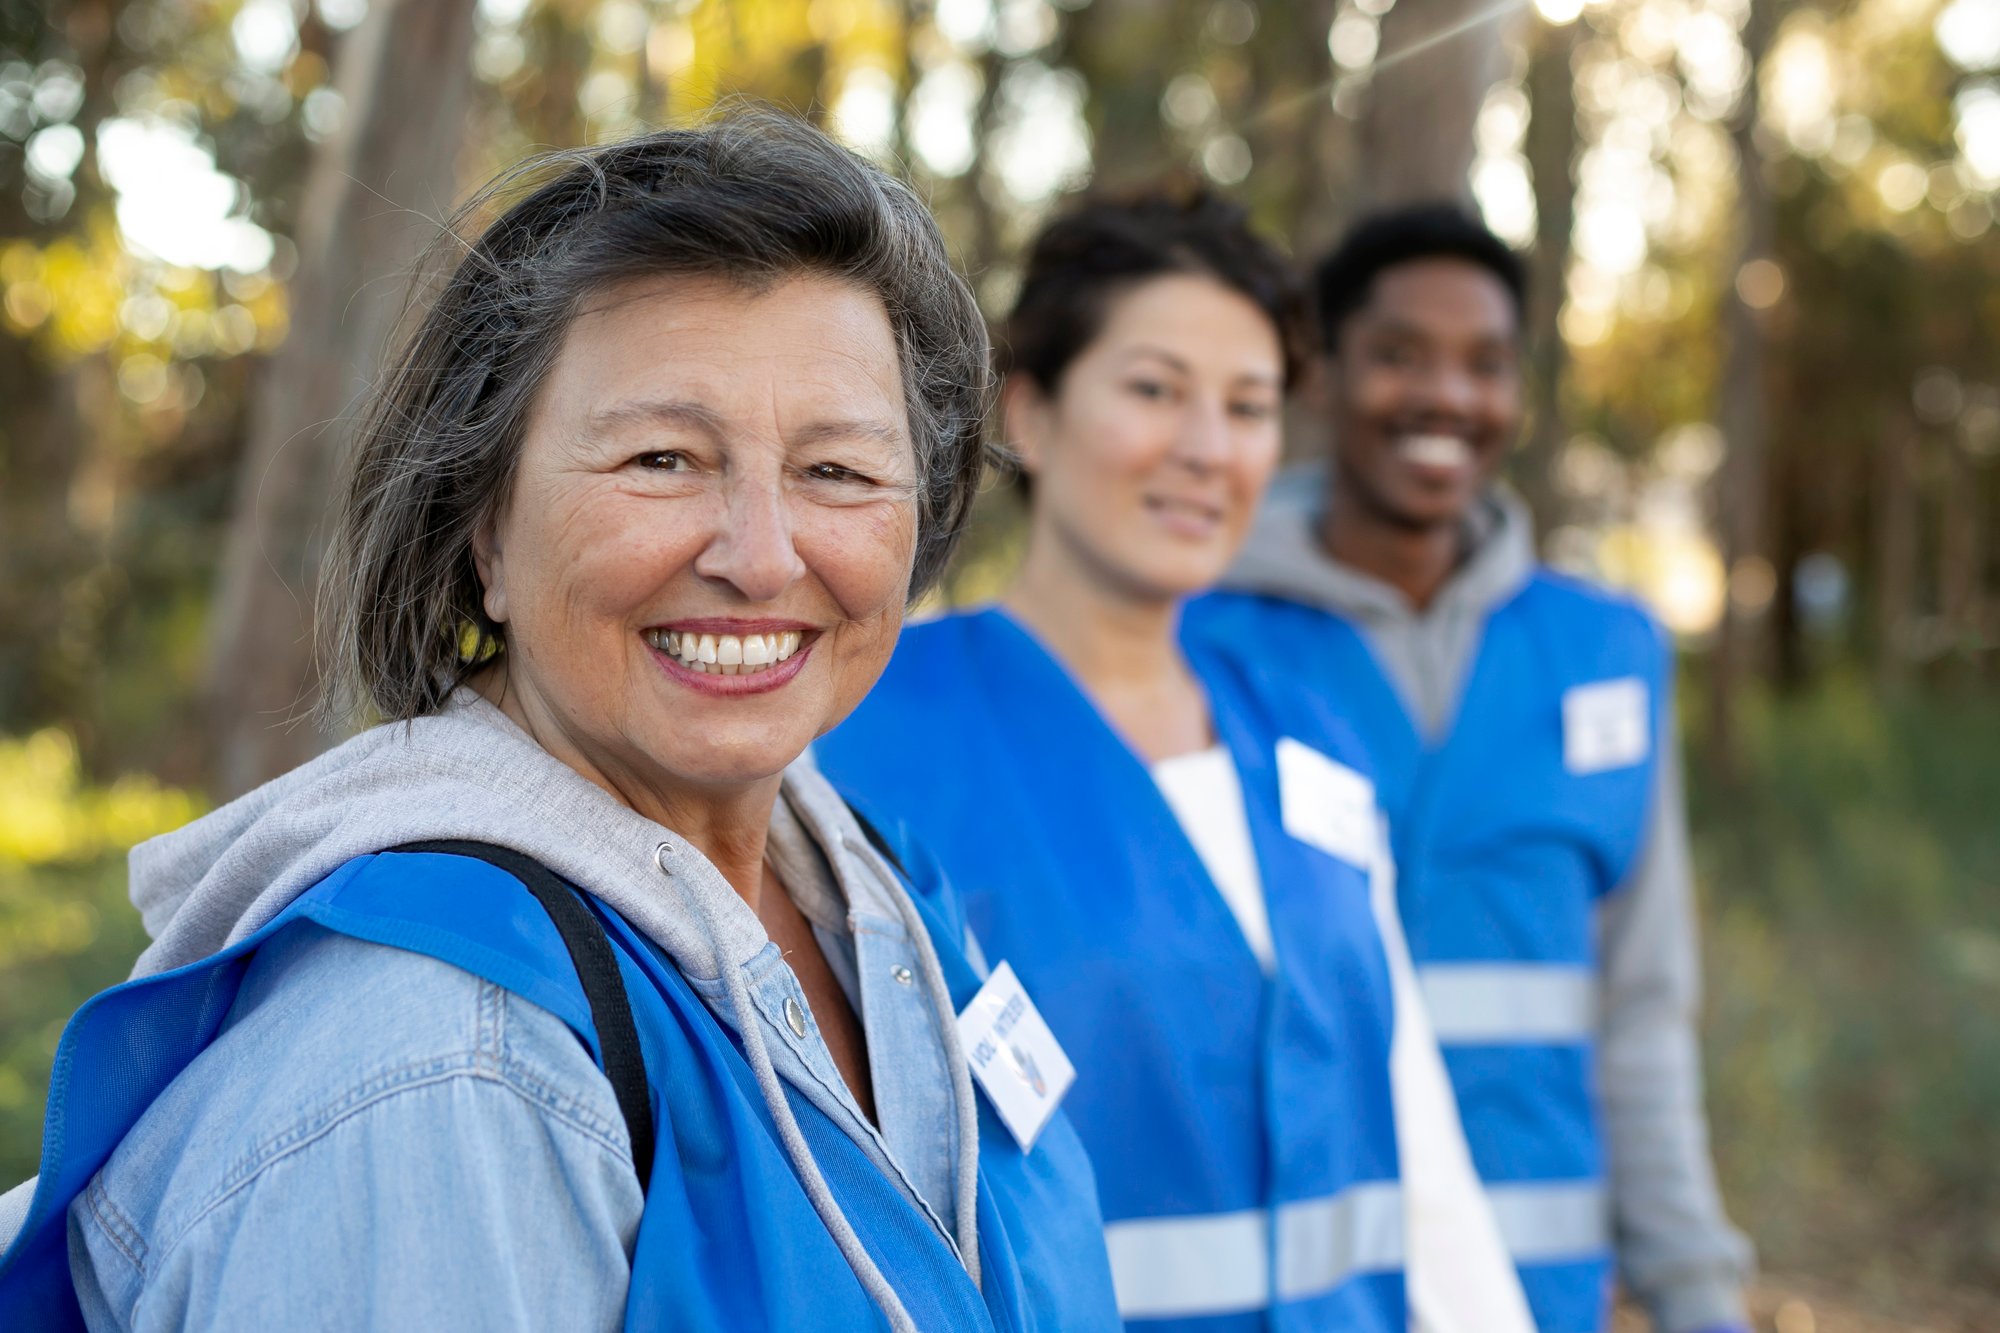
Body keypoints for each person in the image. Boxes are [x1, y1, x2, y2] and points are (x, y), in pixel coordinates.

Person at [0, 114, 1121, 1332]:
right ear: (481, 528)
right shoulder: (442, 1065)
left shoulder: (876, 894)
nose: (759, 556)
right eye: (660, 459)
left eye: (837, 472)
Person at [815, 186, 1531, 1333]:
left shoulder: (1311, 746)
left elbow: (1416, 1147)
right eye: (1153, 390)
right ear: (1033, 417)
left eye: (1247, 406)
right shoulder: (862, 738)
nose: (1207, 448)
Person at [1182, 204, 1755, 1333]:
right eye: (1399, 355)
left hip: (1537, 1295)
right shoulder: (1195, 638)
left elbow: (1640, 1007)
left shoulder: (1608, 654)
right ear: (1321, 374)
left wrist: (1694, 1292)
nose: (1446, 396)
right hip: (1292, 1296)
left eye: (1485, 364)